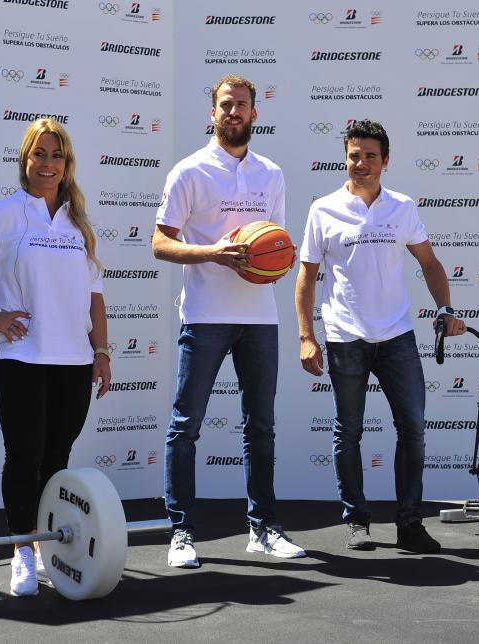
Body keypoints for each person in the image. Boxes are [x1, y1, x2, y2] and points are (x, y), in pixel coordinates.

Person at [0, 118, 111, 596]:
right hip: (22, 359)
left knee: (57, 459)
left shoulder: (79, 223)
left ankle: (52, 548)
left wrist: (101, 351)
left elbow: (94, 296)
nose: (48, 164)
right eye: (39, 154)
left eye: (57, 156)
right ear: (25, 160)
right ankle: (21, 553)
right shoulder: (4, 215)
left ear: (67, 163)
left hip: (74, 362)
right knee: (24, 457)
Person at [152, 74, 305, 567]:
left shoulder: (271, 174)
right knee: (186, 425)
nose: (233, 112)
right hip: (204, 316)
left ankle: (263, 528)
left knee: (261, 426)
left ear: (255, 113)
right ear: (212, 113)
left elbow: (275, 245)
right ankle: (181, 533)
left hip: (259, 319)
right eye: (225, 105)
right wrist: (212, 252)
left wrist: (273, 259)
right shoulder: (189, 171)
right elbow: (160, 242)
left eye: (241, 105)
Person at [294, 119, 466, 553]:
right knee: (348, 432)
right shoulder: (323, 209)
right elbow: (307, 276)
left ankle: (410, 524)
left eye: (370, 156)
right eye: (354, 155)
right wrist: (305, 336)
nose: (361, 163)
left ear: (386, 161)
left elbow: (429, 263)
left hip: (397, 337)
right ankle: (357, 522)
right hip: (345, 337)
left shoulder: (402, 207)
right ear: (346, 158)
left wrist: (446, 308)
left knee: (412, 429)